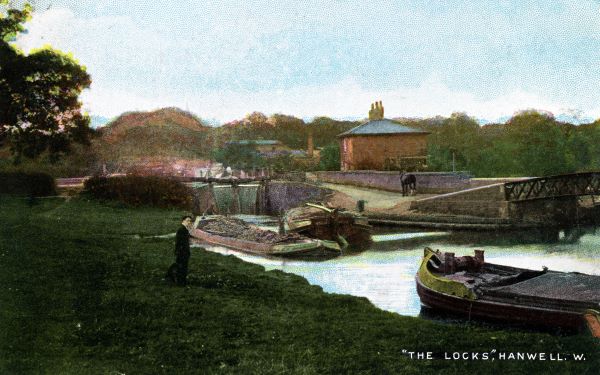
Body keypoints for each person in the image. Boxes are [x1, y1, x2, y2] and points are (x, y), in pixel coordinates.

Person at [166, 215, 193, 286]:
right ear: (183, 221)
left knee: (182, 267)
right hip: (182, 252)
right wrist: (180, 251)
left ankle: (179, 280)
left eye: (190, 221)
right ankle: (180, 282)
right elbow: (179, 242)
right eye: (187, 220)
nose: (189, 222)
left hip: (184, 252)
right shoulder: (182, 230)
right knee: (182, 267)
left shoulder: (185, 230)